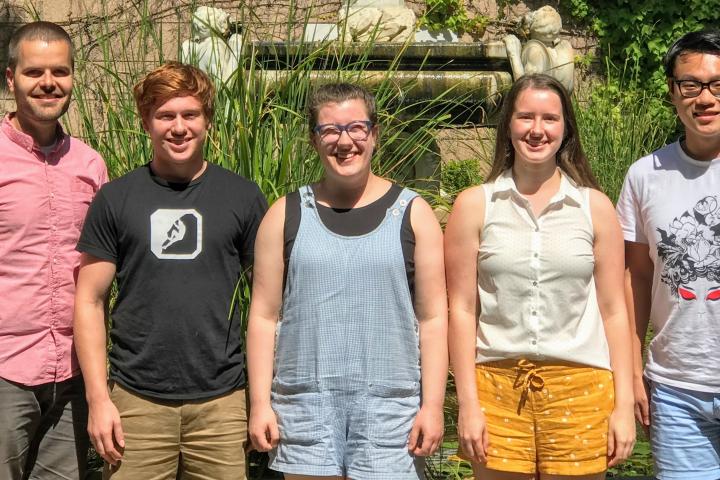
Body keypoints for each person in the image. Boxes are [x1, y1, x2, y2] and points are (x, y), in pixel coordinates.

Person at [73, 62, 267, 479]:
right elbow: (89, 301)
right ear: (146, 121)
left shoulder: (243, 196)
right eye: (165, 115)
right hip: (136, 403)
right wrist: (98, 399)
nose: (178, 128)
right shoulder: (115, 199)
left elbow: (269, 306)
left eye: (190, 115)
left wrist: (262, 400)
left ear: (208, 120)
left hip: (222, 402)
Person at [246, 82, 447, 479]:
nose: (345, 141)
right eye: (330, 130)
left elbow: (433, 319)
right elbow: (264, 317)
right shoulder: (284, 215)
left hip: (389, 415)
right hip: (307, 411)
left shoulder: (413, 214)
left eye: (356, 128)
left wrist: (433, 405)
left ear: (373, 134)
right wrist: (260, 403)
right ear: (314, 139)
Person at [445, 73, 635, 479]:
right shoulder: (475, 206)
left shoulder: (594, 208)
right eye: (525, 117)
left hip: (581, 387)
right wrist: (467, 403)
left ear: (565, 128)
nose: (536, 130)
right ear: (508, 125)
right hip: (496, 387)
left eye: (549, 118)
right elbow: (460, 309)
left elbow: (614, 310)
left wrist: (623, 406)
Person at [0, 21, 108, 480]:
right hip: (4, 370)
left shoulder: (89, 164)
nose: (49, 83)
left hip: (71, 372)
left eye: (60, 71)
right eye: (34, 72)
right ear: (11, 78)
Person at [617, 30, 720, 480]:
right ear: (672, 93)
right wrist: (630, 368)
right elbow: (636, 276)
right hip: (677, 389)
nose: (705, 98)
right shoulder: (645, 176)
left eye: (718, 84)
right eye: (691, 85)